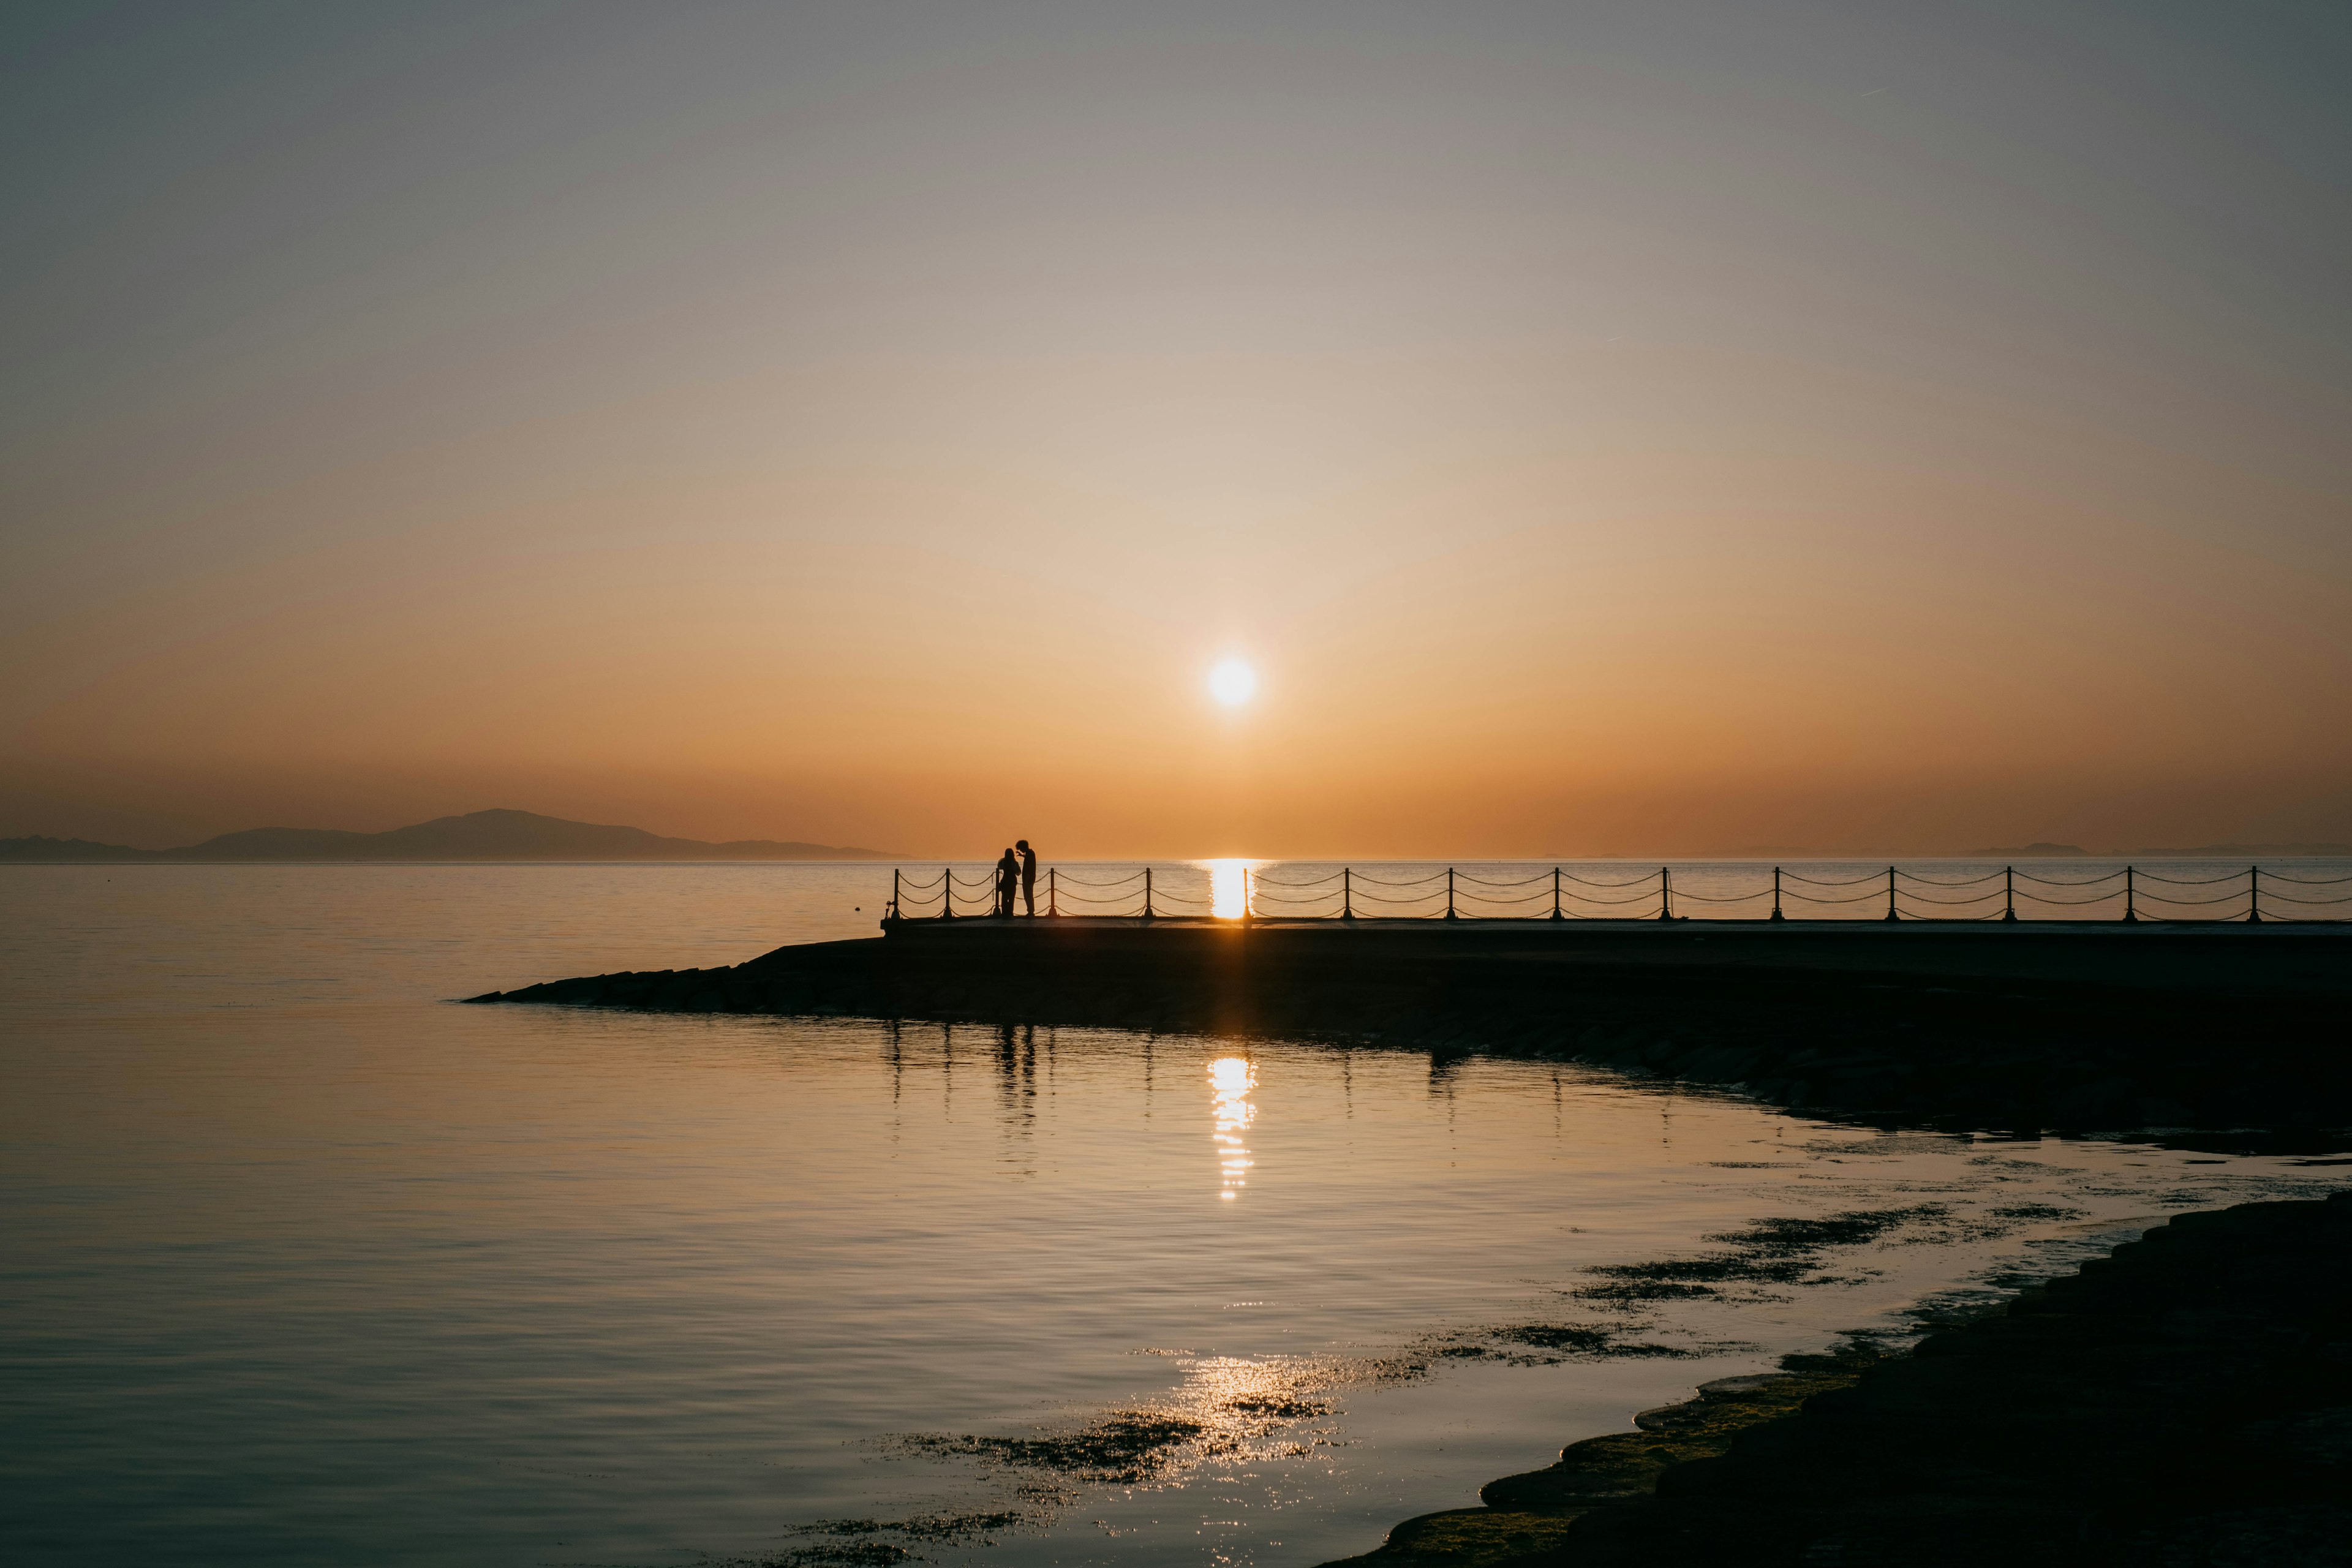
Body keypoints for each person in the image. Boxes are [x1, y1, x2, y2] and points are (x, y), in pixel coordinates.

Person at [995, 846, 1020, 917]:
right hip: (1012, 882)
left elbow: (999, 867)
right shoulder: (1015, 863)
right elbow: (1018, 873)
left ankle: (1004, 913)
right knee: (1012, 899)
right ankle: (1010, 913)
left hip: (1005, 881)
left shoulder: (1003, 862)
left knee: (1004, 898)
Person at [1017, 840, 1038, 916]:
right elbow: (1029, 859)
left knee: (1028, 895)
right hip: (1029, 878)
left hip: (1028, 879)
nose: (1021, 850)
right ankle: (1030, 911)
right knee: (1029, 895)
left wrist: (1026, 880)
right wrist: (1022, 855)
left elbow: (1029, 868)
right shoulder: (1030, 853)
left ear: (1023, 847)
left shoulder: (1030, 854)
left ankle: (1031, 911)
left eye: (1021, 849)